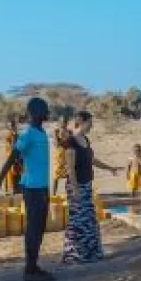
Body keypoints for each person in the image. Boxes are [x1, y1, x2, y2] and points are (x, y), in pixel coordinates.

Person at [0, 97, 53, 281]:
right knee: (33, 229)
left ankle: (33, 266)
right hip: (32, 188)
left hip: (42, 187)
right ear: (35, 113)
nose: (48, 112)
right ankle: (29, 271)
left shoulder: (41, 132)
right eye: (45, 110)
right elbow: (11, 159)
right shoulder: (28, 135)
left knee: (39, 228)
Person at [61, 111, 121, 264]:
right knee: (78, 221)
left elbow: (92, 159)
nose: (92, 126)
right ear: (82, 121)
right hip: (76, 186)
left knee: (88, 220)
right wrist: (75, 190)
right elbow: (70, 169)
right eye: (90, 123)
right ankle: (73, 255)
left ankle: (89, 253)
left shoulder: (85, 140)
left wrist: (110, 168)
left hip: (86, 185)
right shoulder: (71, 142)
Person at [2, 118, 24, 196]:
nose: (13, 128)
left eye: (14, 126)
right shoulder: (8, 137)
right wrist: (14, 136)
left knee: (19, 179)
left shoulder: (19, 136)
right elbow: (12, 148)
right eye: (11, 126)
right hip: (11, 162)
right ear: (9, 128)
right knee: (11, 181)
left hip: (18, 161)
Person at [51, 116, 72, 191]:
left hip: (68, 155)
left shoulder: (70, 132)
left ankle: (68, 193)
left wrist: (63, 141)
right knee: (56, 176)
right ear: (59, 123)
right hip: (59, 155)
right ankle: (53, 194)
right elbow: (56, 144)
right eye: (63, 122)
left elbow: (71, 144)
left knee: (69, 175)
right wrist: (65, 140)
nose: (64, 124)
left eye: (66, 122)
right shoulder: (56, 131)